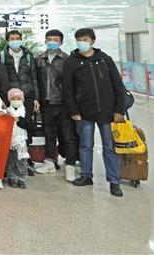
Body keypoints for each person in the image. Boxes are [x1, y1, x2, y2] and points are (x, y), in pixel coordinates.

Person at [62, 28, 126, 197]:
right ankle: (86, 175)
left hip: (107, 112)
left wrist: (119, 109)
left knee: (109, 147)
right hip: (84, 112)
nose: (82, 42)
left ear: (92, 40)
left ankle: (114, 181)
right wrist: (73, 110)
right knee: (85, 145)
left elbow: (118, 85)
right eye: (79, 39)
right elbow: (67, 90)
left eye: (85, 39)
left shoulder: (105, 59)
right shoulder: (71, 62)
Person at [35, 29, 77, 181]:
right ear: (45, 41)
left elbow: (73, 83)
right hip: (46, 103)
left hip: (64, 103)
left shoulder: (67, 59)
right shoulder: (39, 59)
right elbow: (36, 81)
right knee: (49, 134)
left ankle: (70, 165)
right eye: (49, 39)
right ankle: (49, 163)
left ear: (61, 42)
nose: (52, 42)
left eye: (55, 40)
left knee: (68, 136)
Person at [0, 30, 40, 112]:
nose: (15, 41)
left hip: (27, 95)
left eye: (17, 38)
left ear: (21, 40)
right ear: (7, 41)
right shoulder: (2, 56)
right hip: (9, 96)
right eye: (12, 39)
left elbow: (34, 78)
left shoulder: (28, 55)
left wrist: (36, 98)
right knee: (10, 119)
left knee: (27, 118)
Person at [6, 88, 33, 189]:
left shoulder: (26, 112)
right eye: (13, 98)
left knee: (21, 160)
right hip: (10, 141)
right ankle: (11, 177)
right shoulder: (7, 111)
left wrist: (19, 120)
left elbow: (31, 126)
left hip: (22, 142)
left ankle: (21, 178)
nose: (16, 100)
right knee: (11, 160)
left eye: (18, 98)